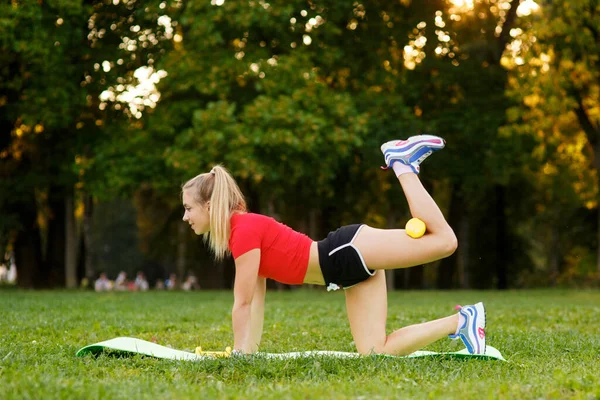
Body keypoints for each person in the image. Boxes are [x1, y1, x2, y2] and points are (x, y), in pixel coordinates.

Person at [181, 135, 486, 356]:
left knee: (445, 242)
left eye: (189, 208)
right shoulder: (242, 232)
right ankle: (462, 321)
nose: (185, 217)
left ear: (209, 206)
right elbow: (255, 299)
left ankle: (401, 163)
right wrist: (246, 352)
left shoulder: (243, 229)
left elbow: (243, 303)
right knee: (375, 352)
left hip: (346, 250)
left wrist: (237, 353)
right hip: (345, 270)